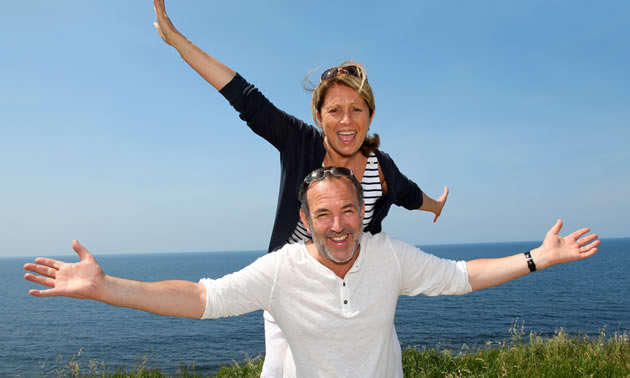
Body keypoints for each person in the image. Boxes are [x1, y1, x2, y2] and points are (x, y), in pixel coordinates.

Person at [24, 166, 599, 378]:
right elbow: (202, 298)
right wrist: (105, 289)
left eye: (348, 210)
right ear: (306, 219)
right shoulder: (280, 270)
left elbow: (460, 274)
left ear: (363, 212)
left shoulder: (390, 255)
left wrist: (537, 258)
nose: (339, 224)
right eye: (323, 213)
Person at [151, 2, 448, 374]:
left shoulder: (381, 169)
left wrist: (436, 206)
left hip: (351, 287)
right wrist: (179, 42)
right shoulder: (299, 142)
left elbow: (410, 195)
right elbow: (245, 97)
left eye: (357, 109)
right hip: (289, 287)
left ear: (370, 115)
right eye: (335, 109)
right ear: (318, 115)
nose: (346, 120)